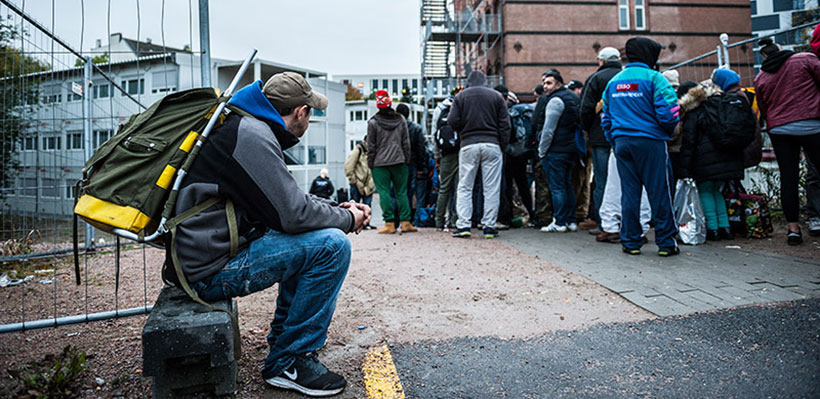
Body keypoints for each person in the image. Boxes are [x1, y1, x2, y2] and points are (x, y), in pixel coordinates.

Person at [171, 72, 370, 396]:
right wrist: (347, 219)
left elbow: (285, 201)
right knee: (331, 247)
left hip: (205, 256)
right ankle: (289, 361)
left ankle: (284, 346)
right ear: (301, 112)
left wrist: (338, 208)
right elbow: (293, 214)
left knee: (316, 239)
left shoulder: (245, 126)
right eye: (310, 113)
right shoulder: (252, 135)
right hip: (208, 270)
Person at [601, 36, 680, 256]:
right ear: (649, 55)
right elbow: (670, 112)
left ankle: (631, 243)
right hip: (651, 142)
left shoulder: (613, 82)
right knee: (659, 193)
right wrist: (666, 132)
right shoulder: (656, 78)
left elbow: (605, 118)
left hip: (622, 144)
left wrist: (615, 140)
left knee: (629, 193)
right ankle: (665, 244)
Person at [754, 37, 820, 245]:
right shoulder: (805, 60)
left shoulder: (761, 77)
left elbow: (763, 108)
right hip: (812, 124)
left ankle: (793, 229)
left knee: (788, 177)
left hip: (780, 129)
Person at [678, 71, 747, 241]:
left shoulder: (694, 112)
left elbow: (689, 142)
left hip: (704, 160)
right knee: (716, 191)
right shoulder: (718, 103)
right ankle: (725, 228)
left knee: (706, 192)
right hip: (725, 157)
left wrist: (685, 169)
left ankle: (713, 229)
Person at [448, 70, 511, 239]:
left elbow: (452, 121)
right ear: (485, 82)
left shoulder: (461, 97)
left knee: (465, 186)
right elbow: (505, 124)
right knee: (491, 188)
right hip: (492, 144)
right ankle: (489, 226)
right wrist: (501, 144)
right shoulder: (497, 96)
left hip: (468, 144)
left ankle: (463, 225)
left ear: (468, 82)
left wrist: (463, 129)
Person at [579, 47, 622, 235]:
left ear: (602, 61)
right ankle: (626, 221)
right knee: (625, 179)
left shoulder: (596, 79)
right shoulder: (625, 76)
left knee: (602, 180)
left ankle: (604, 223)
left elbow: (585, 108)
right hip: (623, 134)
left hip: (600, 136)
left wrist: (589, 129)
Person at [367, 90, 418, 234]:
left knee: (384, 193)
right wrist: (406, 159)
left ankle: (389, 223)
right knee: (401, 192)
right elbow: (406, 142)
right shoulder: (401, 119)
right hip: (399, 161)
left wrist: (370, 162)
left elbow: (371, 146)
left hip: (379, 163)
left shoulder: (373, 122)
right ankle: (406, 222)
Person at [538, 69, 580, 232]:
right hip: (570, 148)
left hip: (556, 149)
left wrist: (542, 151)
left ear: (558, 84)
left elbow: (548, 129)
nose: (545, 86)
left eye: (548, 83)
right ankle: (571, 220)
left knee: (557, 187)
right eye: (543, 82)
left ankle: (560, 222)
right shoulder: (572, 98)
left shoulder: (555, 101)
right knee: (567, 184)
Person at [396, 103, 428, 219]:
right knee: (409, 192)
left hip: (396, 164)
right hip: (411, 164)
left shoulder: (393, 128)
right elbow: (421, 149)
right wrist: (421, 167)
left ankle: (394, 221)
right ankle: (407, 220)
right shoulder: (416, 128)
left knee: (395, 192)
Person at [433, 92, 460, 230]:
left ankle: (439, 221)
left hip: (445, 155)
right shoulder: (461, 108)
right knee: (459, 188)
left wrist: (437, 156)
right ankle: (454, 220)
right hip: (460, 153)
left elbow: (434, 135)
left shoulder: (440, 110)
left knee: (444, 189)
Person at [345, 139, 375, 229]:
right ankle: (353, 224)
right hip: (357, 183)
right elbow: (349, 166)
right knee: (354, 205)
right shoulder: (358, 151)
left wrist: (371, 185)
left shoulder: (373, 153)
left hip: (368, 185)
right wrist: (353, 181)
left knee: (367, 205)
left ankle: (366, 224)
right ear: (365, 142)